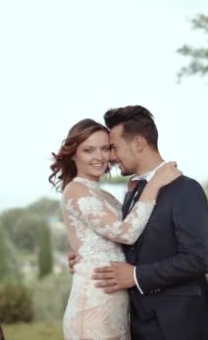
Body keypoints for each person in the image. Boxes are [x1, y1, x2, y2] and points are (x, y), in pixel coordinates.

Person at [69, 106, 208, 339]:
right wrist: (86, 257)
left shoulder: (184, 189)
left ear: (137, 144)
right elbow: (127, 240)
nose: (111, 157)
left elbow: (197, 259)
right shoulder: (133, 193)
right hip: (138, 323)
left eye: (113, 147)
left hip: (179, 322)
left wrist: (137, 276)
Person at [49, 118, 181, 339]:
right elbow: (126, 234)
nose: (99, 157)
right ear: (73, 154)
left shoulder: (104, 194)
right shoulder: (75, 190)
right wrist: (155, 184)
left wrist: (133, 195)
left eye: (105, 148)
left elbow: (127, 235)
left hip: (117, 304)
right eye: (89, 150)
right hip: (93, 303)